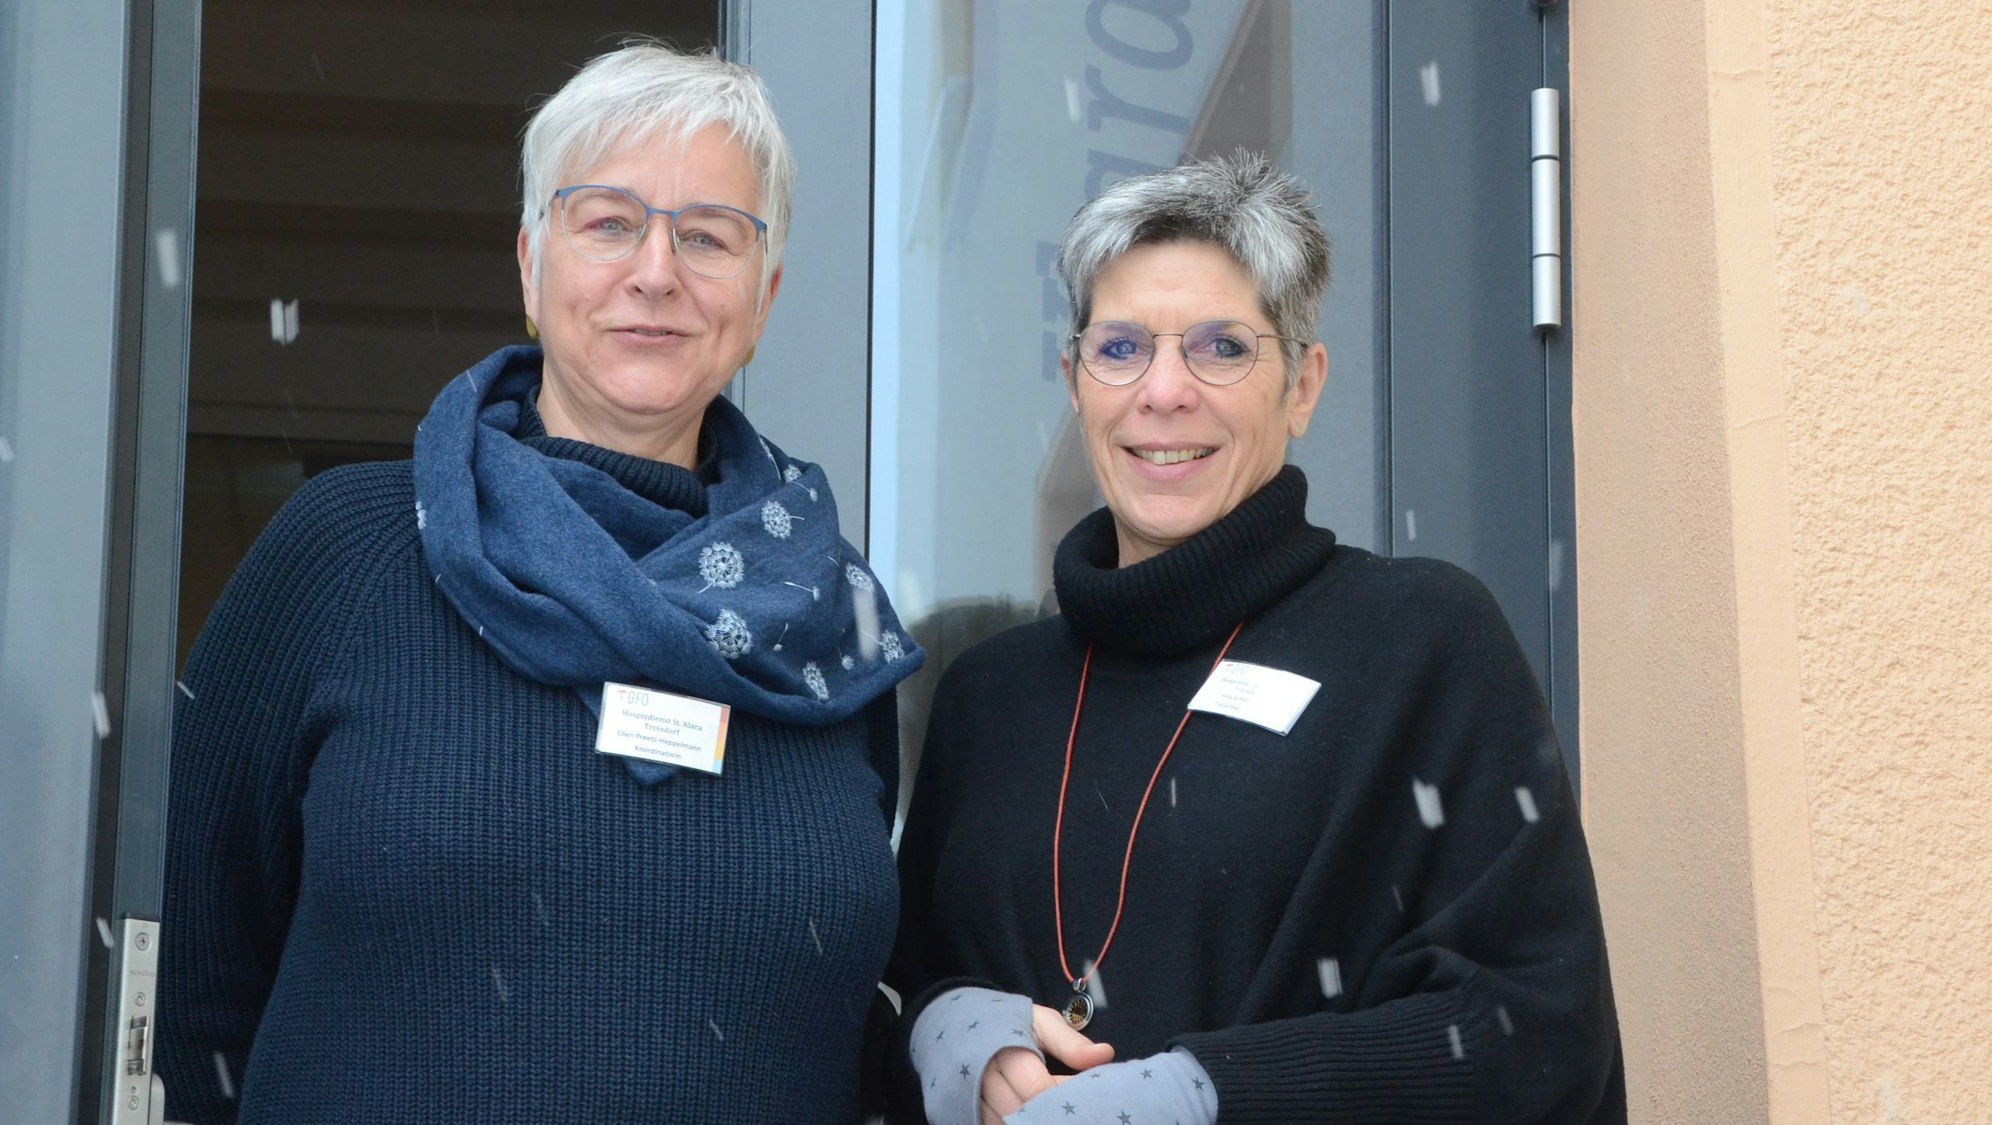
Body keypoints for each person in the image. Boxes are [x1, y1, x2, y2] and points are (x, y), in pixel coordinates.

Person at [156, 42, 922, 1124]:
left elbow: (841, 1030)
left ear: (762, 298)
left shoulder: (826, 620)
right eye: (607, 222)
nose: (655, 270)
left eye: (707, 236)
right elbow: (190, 989)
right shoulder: (344, 556)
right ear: (529, 264)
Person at [886, 152, 1625, 1124]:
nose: (1162, 391)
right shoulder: (986, 697)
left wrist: (1209, 1096)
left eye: (1220, 347)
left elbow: (1532, 1031)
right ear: (1073, 382)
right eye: (1119, 349)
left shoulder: (1417, 645)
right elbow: (888, 993)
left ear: (1303, 386)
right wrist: (949, 1033)